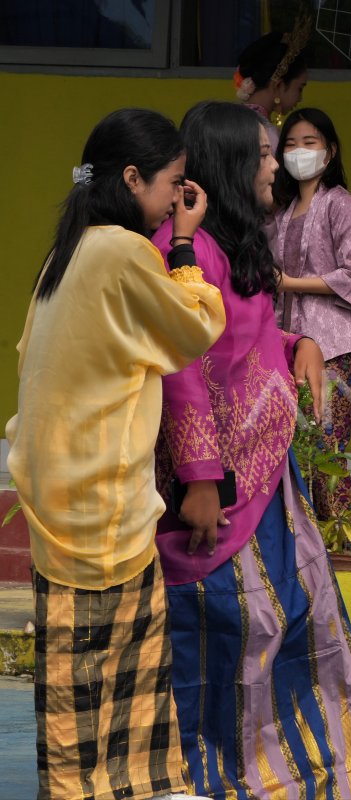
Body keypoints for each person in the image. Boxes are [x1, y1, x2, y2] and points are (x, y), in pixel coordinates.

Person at [151, 101, 351, 799]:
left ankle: (284, 777)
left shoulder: (231, 243)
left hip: (266, 477)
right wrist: (199, 476)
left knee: (292, 623)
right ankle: (212, 778)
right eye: (260, 154)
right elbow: (182, 365)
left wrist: (300, 342)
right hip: (220, 486)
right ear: (226, 161)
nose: (274, 164)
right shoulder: (186, 250)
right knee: (233, 629)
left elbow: (245, 338)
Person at [6, 108, 225, 800]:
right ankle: (126, 785)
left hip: (54, 488)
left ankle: (77, 788)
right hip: (104, 491)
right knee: (123, 659)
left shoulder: (65, 251)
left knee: (73, 667)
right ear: (131, 179)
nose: (173, 201)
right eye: (172, 184)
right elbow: (195, 328)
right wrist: (185, 249)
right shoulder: (124, 253)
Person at [269, 107, 351, 545]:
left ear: (329, 152)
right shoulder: (280, 211)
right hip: (288, 343)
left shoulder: (342, 204)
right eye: (289, 144)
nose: (298, 152)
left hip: (336, 345)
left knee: (324, 449)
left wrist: (288, 282)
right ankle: (315, 542)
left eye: (309, 143)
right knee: (293, 447)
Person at [234, 20, 311, 149]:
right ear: (278, 85)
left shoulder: (226, 121)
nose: (300, 98)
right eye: (299, 88)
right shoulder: (267, 136)